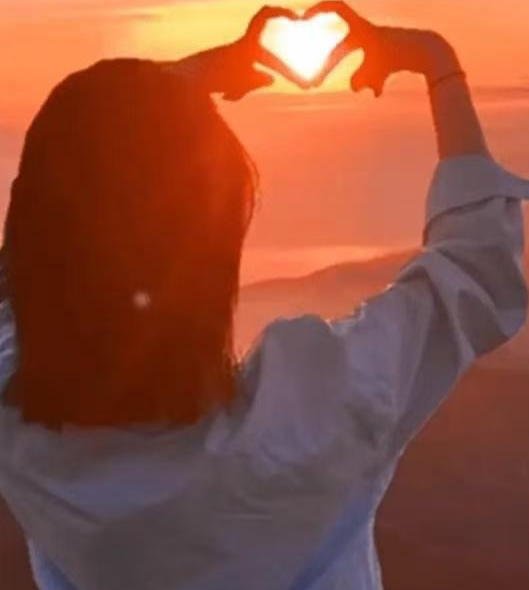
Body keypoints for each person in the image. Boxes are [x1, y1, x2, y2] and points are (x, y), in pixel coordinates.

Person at [0, 2, 527, 590]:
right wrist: (436, 62)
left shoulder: (19, 428)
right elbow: (478, 269)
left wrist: (168, 95)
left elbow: (34, 246)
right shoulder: (313, 413)